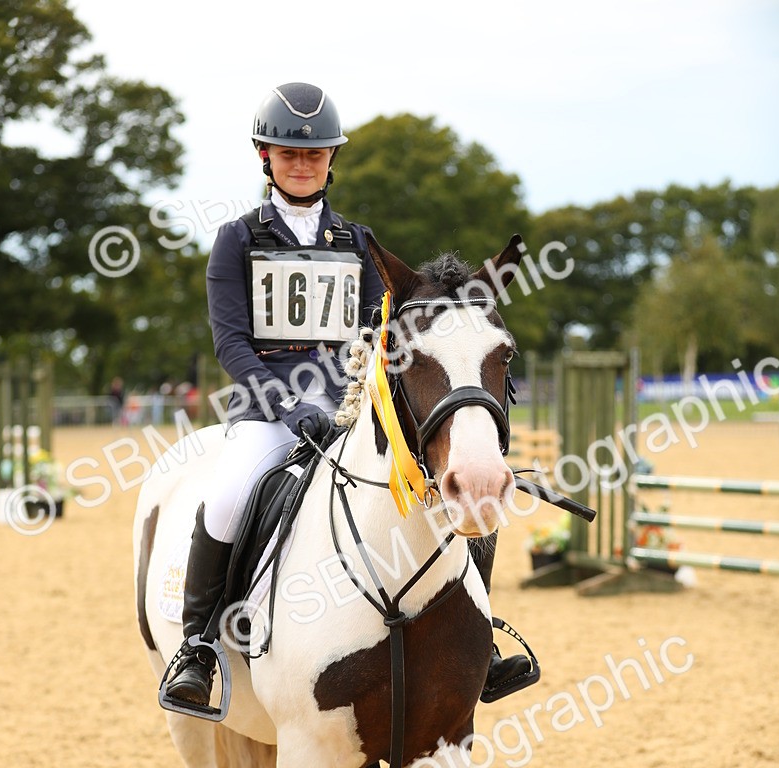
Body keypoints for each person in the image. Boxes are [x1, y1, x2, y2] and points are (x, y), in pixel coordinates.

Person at [163, 81, 535, 711]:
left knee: (460, 495)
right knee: (227, 498)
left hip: (350, 411)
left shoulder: (359, 244)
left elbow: (385, 330)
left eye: (314, 154)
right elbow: (232, 344)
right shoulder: (237, 239)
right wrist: (288, 406)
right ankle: (198, 648)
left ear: (331, 159)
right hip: (268, 413)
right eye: (288, 154)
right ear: (265, 157)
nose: (301, 164)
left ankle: (481, 640)